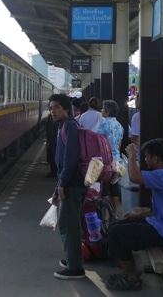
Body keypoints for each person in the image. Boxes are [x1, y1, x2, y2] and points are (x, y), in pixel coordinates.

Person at [105, 138, 163, 291]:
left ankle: (132, 278)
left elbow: (134, 177)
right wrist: (140, 215)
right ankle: (130, 268)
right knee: (115, 226)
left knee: (116, 234)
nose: (145, 160)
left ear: (155, 159)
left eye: (146, 156)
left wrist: (131, 154)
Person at [48, 93, 87, 280]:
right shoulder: (66, 125)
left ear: (66, 109)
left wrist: (62, 184)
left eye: (56, 107)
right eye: (50, 108)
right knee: (70, 223)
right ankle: (72, 259)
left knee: (68, 225)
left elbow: (70, 159)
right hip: (71, 181)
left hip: (72, 183)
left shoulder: (69, 126)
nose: (52, 111)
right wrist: (58, 186)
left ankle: (75, 268)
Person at [96, 99, 124, 216]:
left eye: (102, 108)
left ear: (107, 112)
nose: (101, 110)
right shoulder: (119, 125)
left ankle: (106, 215)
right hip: (117, 160)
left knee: (105, 187)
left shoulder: (103, 124)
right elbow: (119, 144)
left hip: (105, 160)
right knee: (115, 188)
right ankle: (116, 213)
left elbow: (98, 141)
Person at [43, 113, 58, 178]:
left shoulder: (51, 121)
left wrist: (49, 141)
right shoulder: (55, 121)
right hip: (54, 141)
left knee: (52, 157)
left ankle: (53, 172)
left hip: (53, 141)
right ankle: (54, 172)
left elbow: (50, 132)